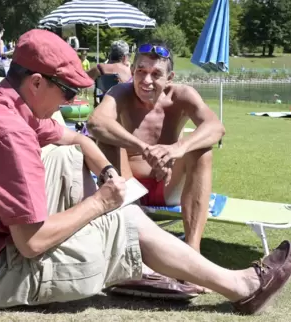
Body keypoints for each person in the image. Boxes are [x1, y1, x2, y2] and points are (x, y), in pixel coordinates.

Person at [0, 29, 291, 315]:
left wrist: (106, 174)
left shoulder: (1, 102)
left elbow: (80, 139)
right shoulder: (10, 133)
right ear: (36, 82)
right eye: (68, 92)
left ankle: (158, 255)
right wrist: (103, 202)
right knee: (123, 219)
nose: (73, 101)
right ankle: (240, 286)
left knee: (68, 153)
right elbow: (31, 244)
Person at [86, 41, 225, 294]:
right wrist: (144, 147)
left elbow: (216, 128)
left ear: (169, 77)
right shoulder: (120, 93)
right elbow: (95, 122)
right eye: (141, 71)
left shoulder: (182, 95)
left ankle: (192, 253)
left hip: (167, 184)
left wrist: (176, 150)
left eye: (156, 74)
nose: (146, 80)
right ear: (133, 70)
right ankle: (133, 241)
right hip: (127, 186)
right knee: (106, 139)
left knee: (202, 150)